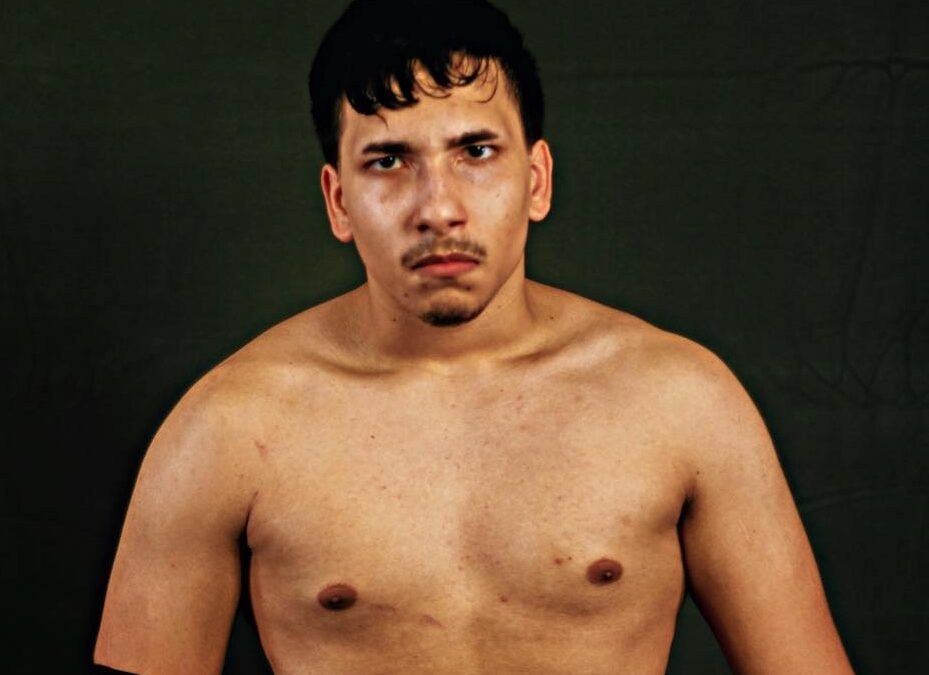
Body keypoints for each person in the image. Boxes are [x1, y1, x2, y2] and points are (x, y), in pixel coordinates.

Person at [94, 0, 855, 673]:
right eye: (388, 160)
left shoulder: (680, 400)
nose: (439, 208)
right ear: (338, 200)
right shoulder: (226, 426)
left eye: (476, 152)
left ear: (537, 179)